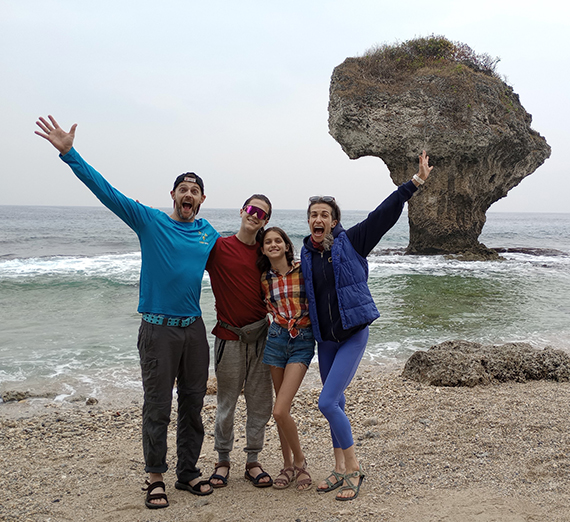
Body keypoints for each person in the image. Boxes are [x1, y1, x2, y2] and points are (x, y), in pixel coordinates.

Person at [35, 115, 218, 509]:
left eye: (195, 191)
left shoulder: (208, 234)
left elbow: (236, 265)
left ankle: (187, 473)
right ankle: (155, 477)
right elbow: (108, 193)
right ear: (172, 194)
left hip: (194, 330)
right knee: (157, 407)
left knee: (192, 404)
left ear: (202, 200)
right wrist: (70, 154)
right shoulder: (149, 220)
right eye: (183, 188)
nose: (189, 194)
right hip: (158, 331)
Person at [301, 151, 433, 501]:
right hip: (326, 341)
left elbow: (383, 215)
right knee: (338, 404)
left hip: (353, 334)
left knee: (326, 403)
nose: (319, 219)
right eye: (313, 214)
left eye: (325, 215)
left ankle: (354, 469)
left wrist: (415, 183)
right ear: (309, 221)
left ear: (334, 221)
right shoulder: (304, 255)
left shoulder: (353, 241)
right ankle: (338, 468)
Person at [206, 196, 274, 488]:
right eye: (252, 209)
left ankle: (253, 461)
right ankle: (222, 460)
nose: (255, 215)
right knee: (226, 403)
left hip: (262, 338)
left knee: (260, 403)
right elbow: (183, 253)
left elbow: (290, 278)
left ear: (266, 221)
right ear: (242, 211)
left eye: (262, 213)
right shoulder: (218, 248)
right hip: (229, 337)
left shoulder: (267, 252)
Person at [257, 227, 315, 491]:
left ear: (286, 245)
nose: (273, 244)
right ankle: (287, 465)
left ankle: (300, 461)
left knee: (279, 409)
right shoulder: (264, 278)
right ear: (263, 249)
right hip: (276, 340)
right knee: (283, 414)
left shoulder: (303, 269)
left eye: (277, 240)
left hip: (302, 341)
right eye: (268, 242)